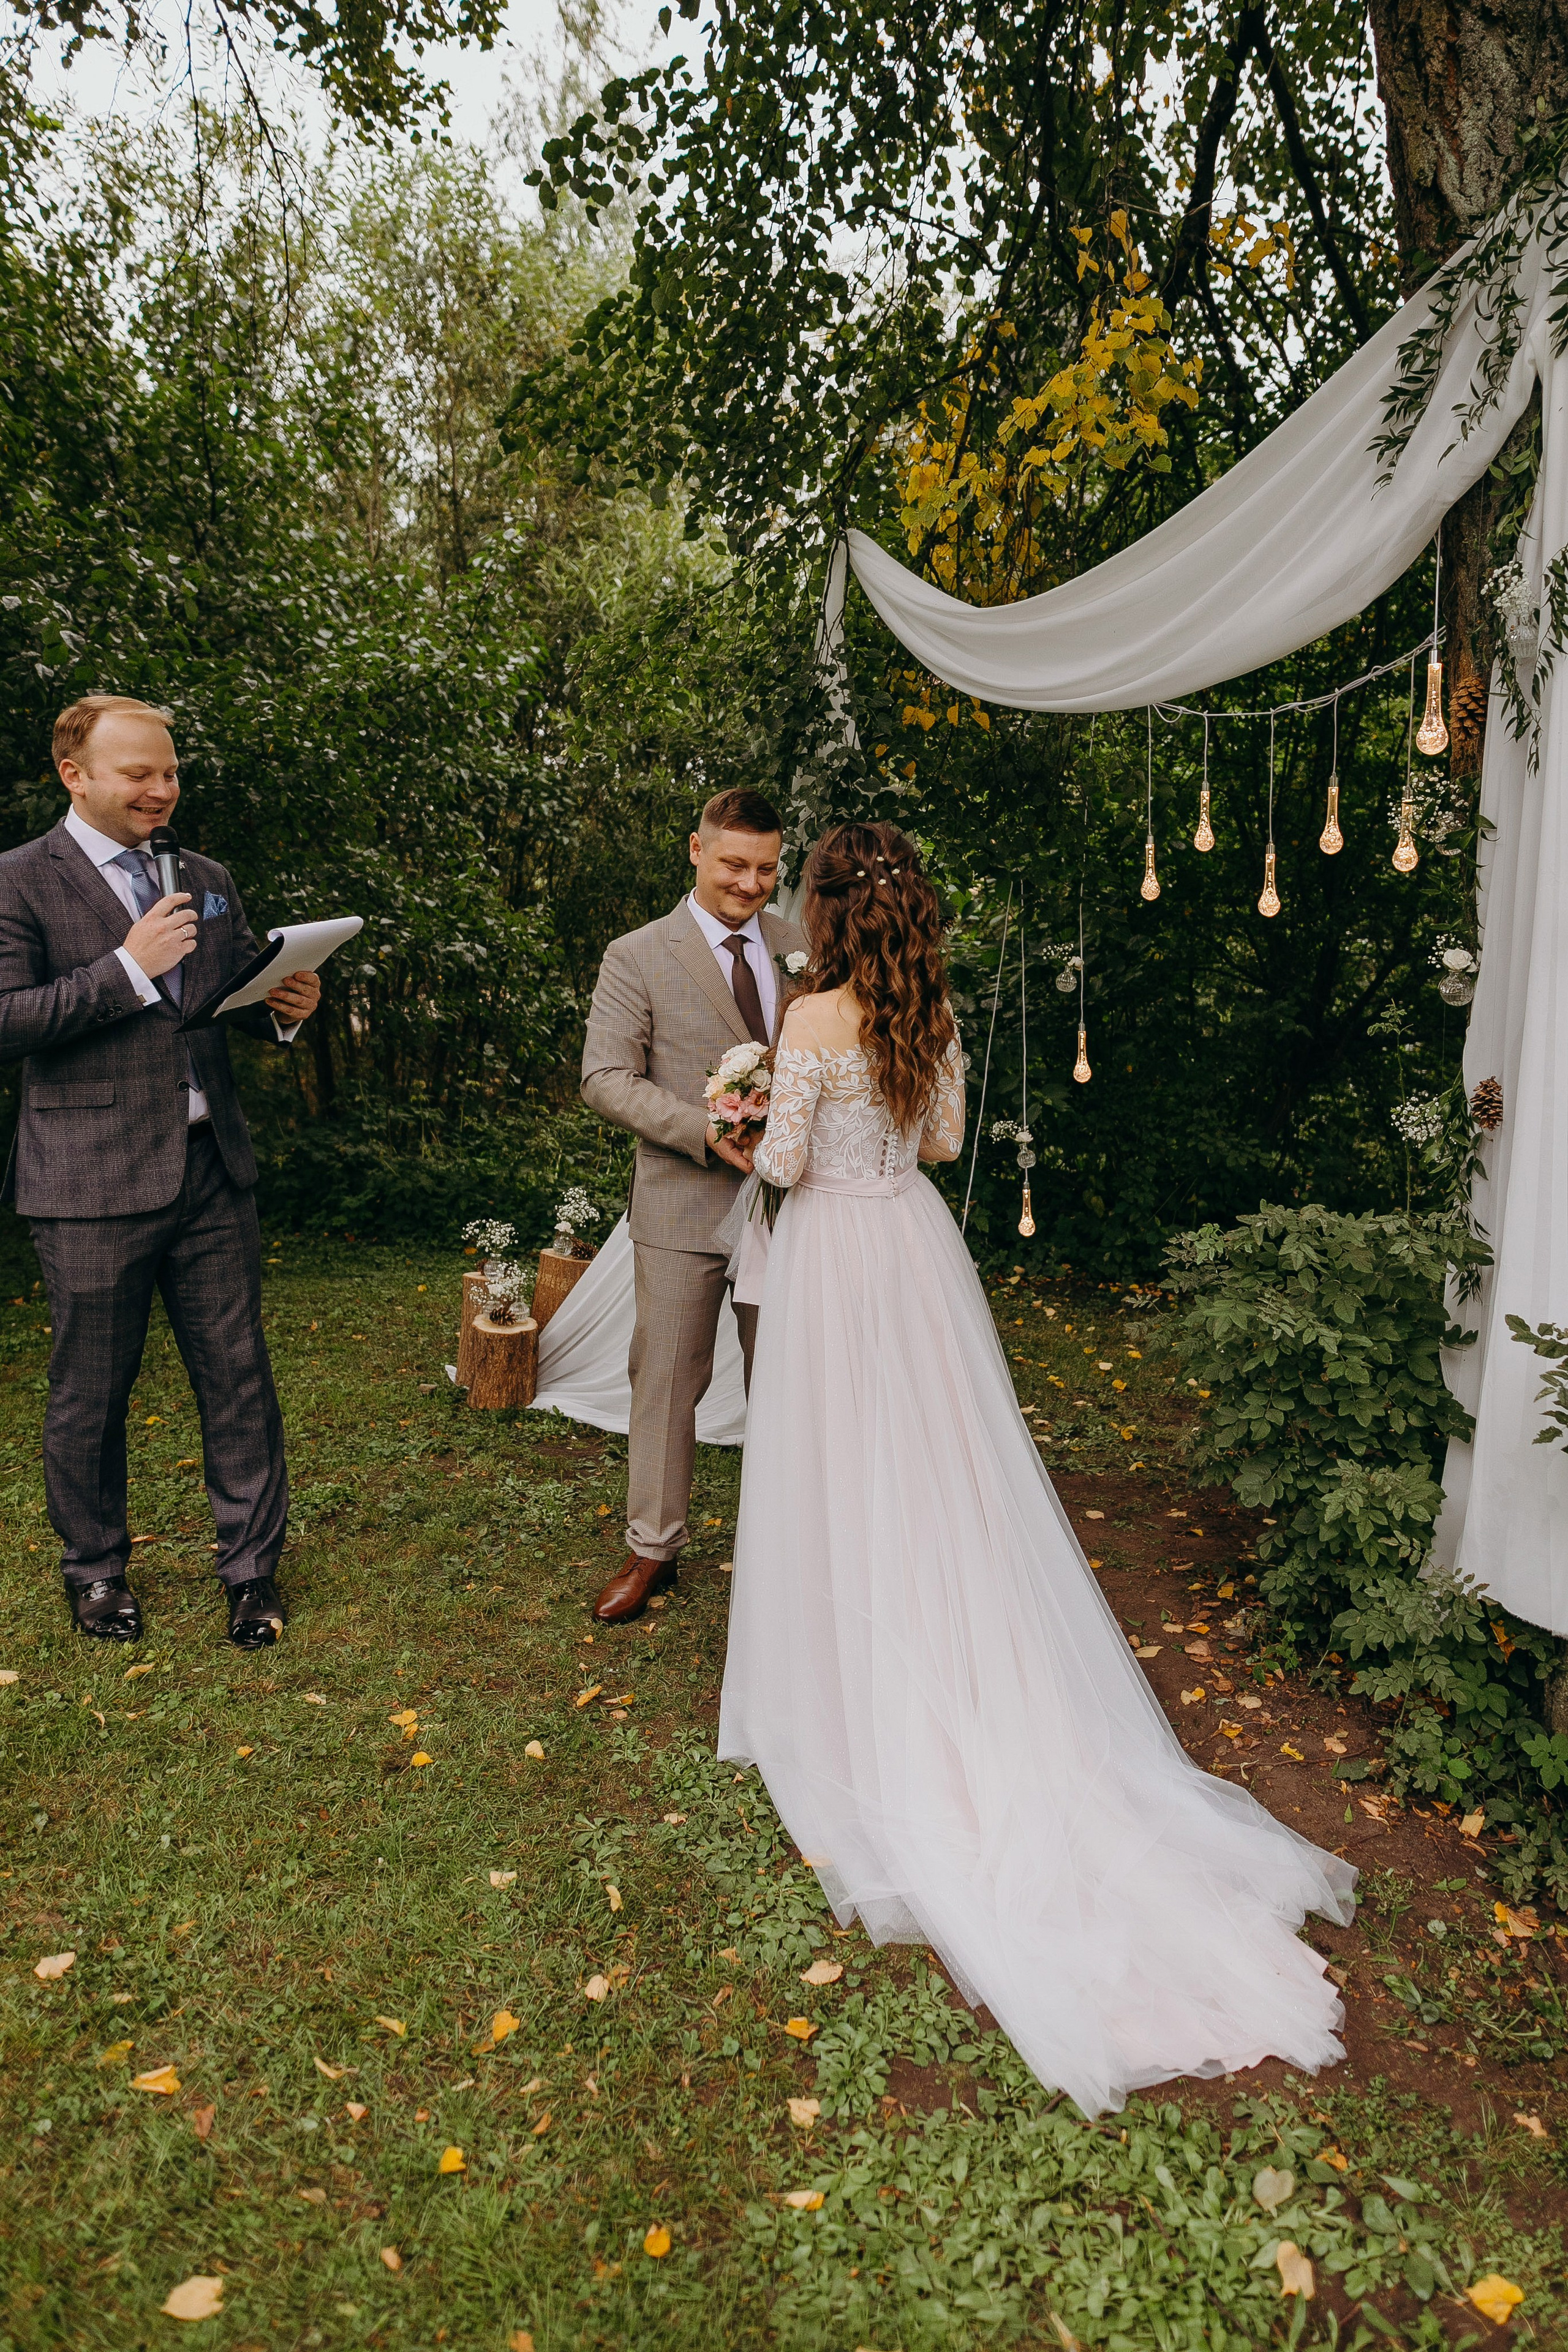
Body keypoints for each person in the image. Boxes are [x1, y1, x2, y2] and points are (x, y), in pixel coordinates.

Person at [717, 821, 1357, 2118]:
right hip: (911, 1247)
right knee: (942, 1479)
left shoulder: (809, 1016)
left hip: (839, 1263)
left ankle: (853, 1685)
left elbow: (781, 1165)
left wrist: (741, 1123)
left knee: (842, 1467)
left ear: (828, 912)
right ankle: (957, 1654)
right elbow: (941, 1146)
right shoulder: (922, 1019)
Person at [0, 694, 322, 1648]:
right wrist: (125, 970)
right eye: (139, 773)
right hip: (89, 1182)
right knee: (91, 1388)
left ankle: (252, 1573)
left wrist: (284, 1005)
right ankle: (96, 1572)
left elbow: (220, 1001)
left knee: (239, 1378)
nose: (161, 789)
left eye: (169, 771)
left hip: (210, 1169)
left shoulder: (205, 874)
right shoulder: (19, 880)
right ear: (76, 775)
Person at [580, 787, 807, 1623]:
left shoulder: (800, 946)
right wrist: (700, 1131)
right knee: (667, 1376)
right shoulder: (637, 954)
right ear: (695, 851)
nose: (750, 885)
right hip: (681, 1200)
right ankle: (652, 1550)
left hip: (787, 1204)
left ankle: (786, 1544)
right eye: (734, 865)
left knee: (787, 1377)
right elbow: (604, 1077)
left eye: (767, 870)